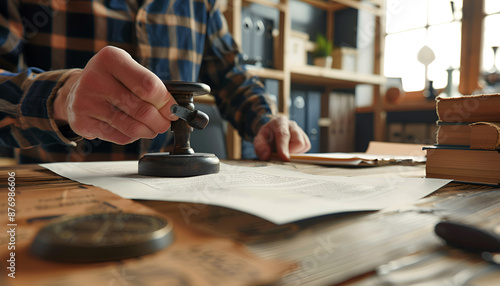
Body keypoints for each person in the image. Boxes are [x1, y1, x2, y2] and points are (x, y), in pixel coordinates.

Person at [0, 0, 310, 164]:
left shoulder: (202, 4)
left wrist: (265, 120)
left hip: (169, 200)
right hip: (54, 190)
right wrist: (60, 98)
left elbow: (230, 75)